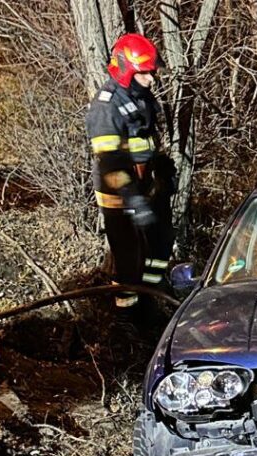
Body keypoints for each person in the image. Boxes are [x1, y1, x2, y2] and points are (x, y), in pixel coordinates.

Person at [85, 33, 175, 314]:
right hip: (118, 192)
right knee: (129, 258)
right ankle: (128, 316)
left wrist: (161, 166)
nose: (151, 79)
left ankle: (152, 295)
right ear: (126, 71)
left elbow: (145, 140)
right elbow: (109, 163)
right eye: (144, 73)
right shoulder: (106, 107)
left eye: (151, 72)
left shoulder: (141, 96)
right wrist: (132, 199)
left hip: (145, 183)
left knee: (162, 242)